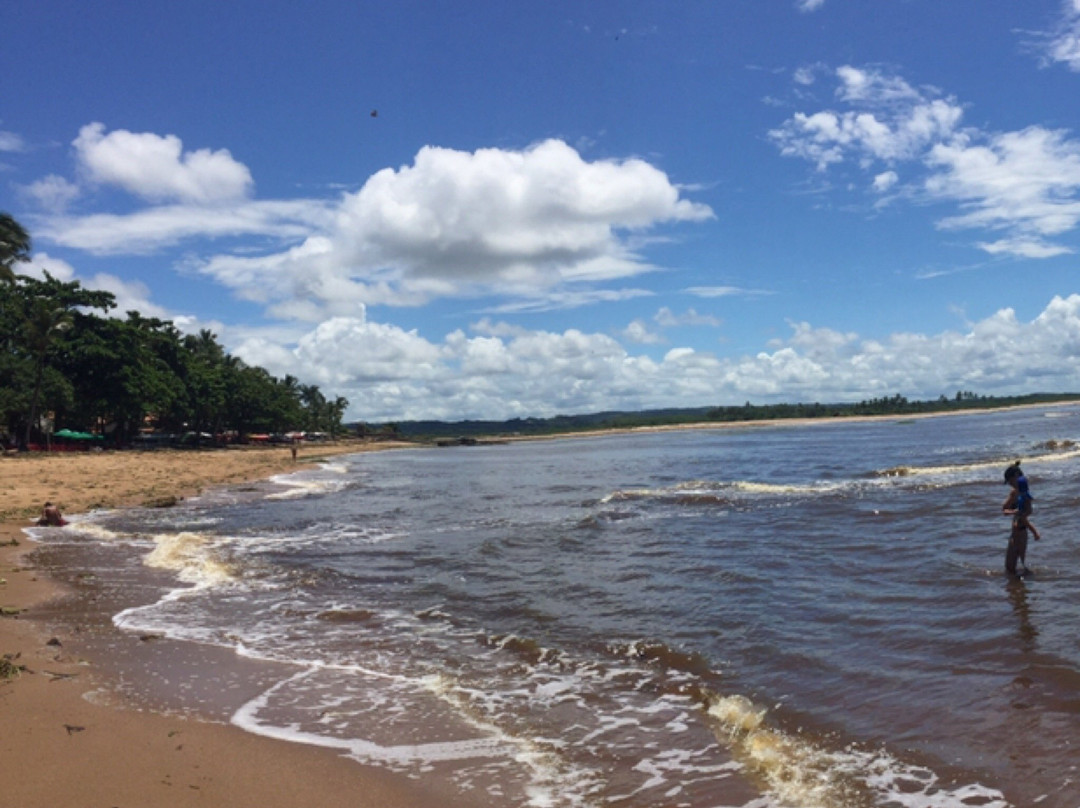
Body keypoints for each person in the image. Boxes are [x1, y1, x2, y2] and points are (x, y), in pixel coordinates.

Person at [1002, 462, 1040, 576]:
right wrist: (1013, 512)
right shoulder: (1014, 493)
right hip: (1014, 533)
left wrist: (1034, 532)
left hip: (1022, 532)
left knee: (1021, 563)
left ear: (1017, 477)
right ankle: (1019, 580)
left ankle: (1019, 588)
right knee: (1009, 566)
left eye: (1010, 481)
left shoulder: (1025, 494)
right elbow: (1004, 509)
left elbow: (1027, 513)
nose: (1010, 484)